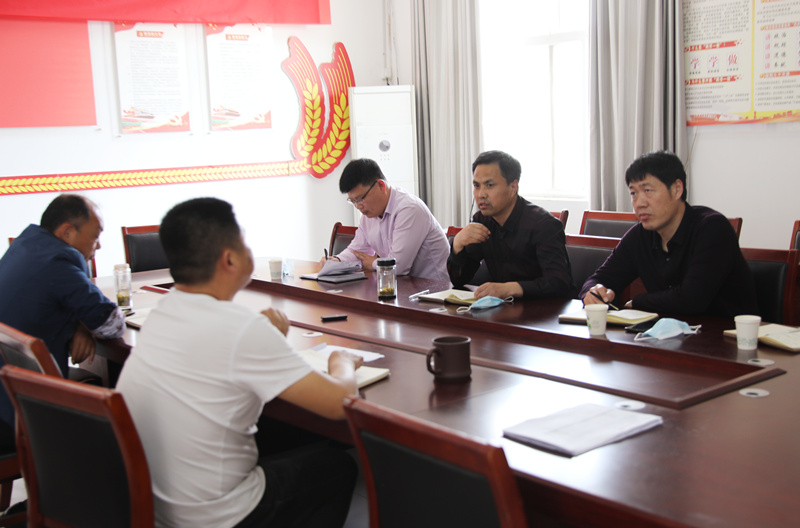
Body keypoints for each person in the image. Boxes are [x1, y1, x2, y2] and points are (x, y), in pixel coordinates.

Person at [116, 197, 362, 528]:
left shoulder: (163, 312)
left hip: (156, 509)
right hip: (219, 517)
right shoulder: (241, 328)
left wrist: (265, 336)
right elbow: (339, 403)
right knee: (337, 467)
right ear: (230, 258)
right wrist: (340, 360)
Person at [0, 194, 125, 449]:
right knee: (118, 428)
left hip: (8, 393)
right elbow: (112, 325)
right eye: (95, 236)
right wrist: (85, 322)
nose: (99, 246)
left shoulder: (26, 245)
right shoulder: (59, 263)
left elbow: (52, 300)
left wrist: (79, 324)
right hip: (24, 412)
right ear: (67, 232)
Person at [581, 150, 758, 318]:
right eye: (633, 193)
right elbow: (599, 278)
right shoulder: (640, 235)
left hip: (727, 334)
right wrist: (593, 292)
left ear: (676, 189)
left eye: (648, 190)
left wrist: (637, 302)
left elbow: (691, 299)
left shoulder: (713, 229)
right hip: (668, 333)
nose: (640, 203)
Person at [447, 150, 573, 299]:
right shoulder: (482, 220)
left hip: (544, 310)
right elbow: (459, 280)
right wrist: (458, 245)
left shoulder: (544, 225)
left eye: (490, 185)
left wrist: (511, 288)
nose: (481, 194)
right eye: (477, 186)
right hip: (502, 308)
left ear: (513, 187)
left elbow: (559, 283)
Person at [328, 158, 451, 282]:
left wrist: (373, 263)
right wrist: (336, 261)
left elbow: (398, 266)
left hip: (435, 288)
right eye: (353, 201)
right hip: (401, 286)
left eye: (360, 199)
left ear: (381, 186)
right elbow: (357, 251)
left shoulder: (409, 209)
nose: (358, 206)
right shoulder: (369, 215)